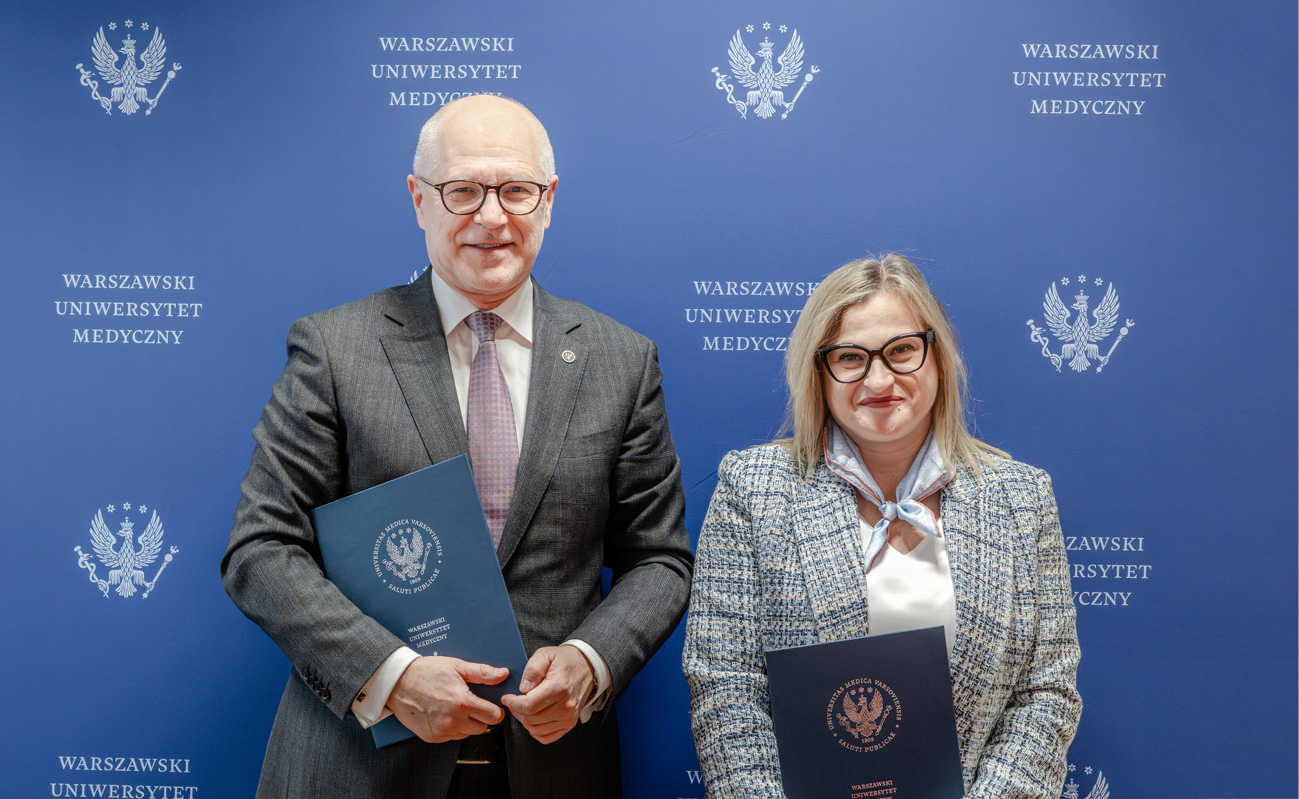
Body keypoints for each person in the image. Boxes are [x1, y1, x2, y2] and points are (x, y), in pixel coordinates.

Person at [222, 95, 692, 798]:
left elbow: (659, 558)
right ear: (419, 199)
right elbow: (260, 547)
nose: (492, 215)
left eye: (515, 189)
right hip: (359, 767)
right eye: (463, 190)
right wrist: (392, 673)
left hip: (553, 766)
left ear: (548, 200)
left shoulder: (620, 360)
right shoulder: (334, 349)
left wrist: (591, 660)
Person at [682, 254, 1080, 797]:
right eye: (850, 357)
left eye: (901, 351)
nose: (879, 377)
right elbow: (725, 685)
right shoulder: (752, 488)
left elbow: (1046, 691)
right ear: (818, 373)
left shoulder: (1022, 497)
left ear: (936, 356)